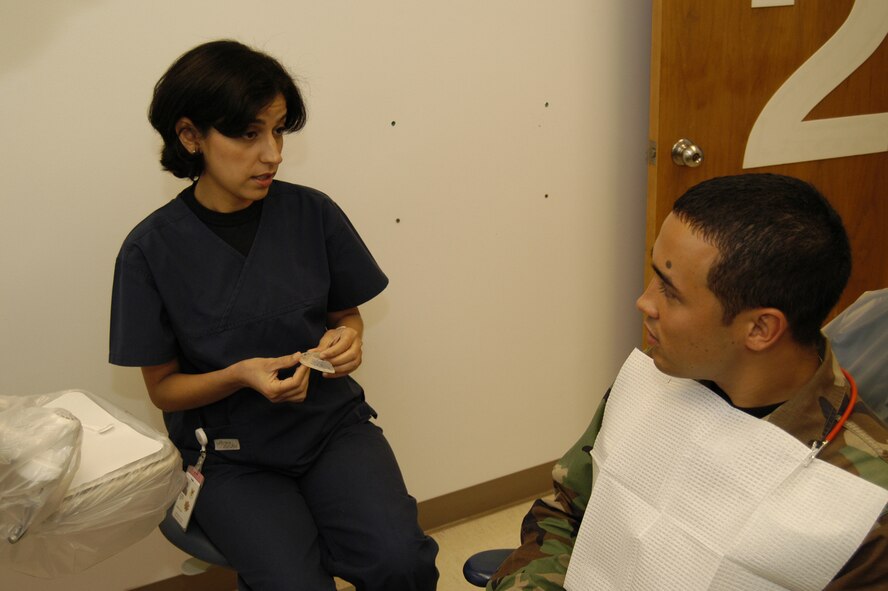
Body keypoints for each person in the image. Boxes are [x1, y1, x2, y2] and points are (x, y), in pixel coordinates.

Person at [109, 40, 438, 591]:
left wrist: (348, 340)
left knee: (399, 562)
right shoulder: (149, 252)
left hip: (331, 429)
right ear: (191, 136)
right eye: (248, 134)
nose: (273, 154)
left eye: (279, 130)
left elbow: (347, 316)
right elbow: (164, 390)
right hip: (233, 458)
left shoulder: (312, 213)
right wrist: (238, 375)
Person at [489, 174, 888, 590]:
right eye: (654, 273)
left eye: (670, 290)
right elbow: (568, 510)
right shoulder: (654, 378)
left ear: (760, 329)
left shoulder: (864, 504)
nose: (644, 301)